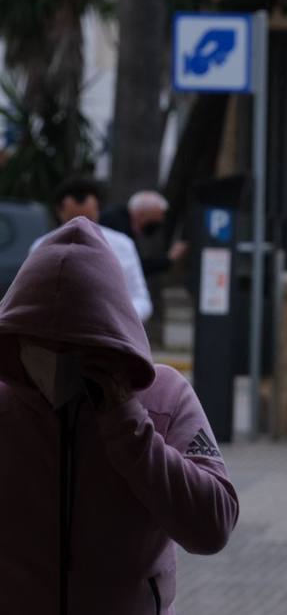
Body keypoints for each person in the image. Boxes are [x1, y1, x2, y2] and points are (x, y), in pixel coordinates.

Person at [0, 217, 238, 613]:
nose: (57, 358)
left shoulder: (164, 396)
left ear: (111, 338)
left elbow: (212, 527)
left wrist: (127, 424)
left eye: (78, 344)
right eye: (42, 339)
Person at [31, 177, 153, 322]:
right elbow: (33, 299)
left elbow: (141, 299)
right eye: (73, 220)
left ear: (98, 210)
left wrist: (118, 322)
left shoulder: (122, 245)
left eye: (88, 219)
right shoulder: (42, 246)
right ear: (60, 212)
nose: (81, 227)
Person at [102, 190, 190, 279]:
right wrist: (169, 259)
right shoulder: (117, 227)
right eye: (154, 221)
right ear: (141, 214)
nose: (160, 222)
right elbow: (135, 267)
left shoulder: (123, 223)